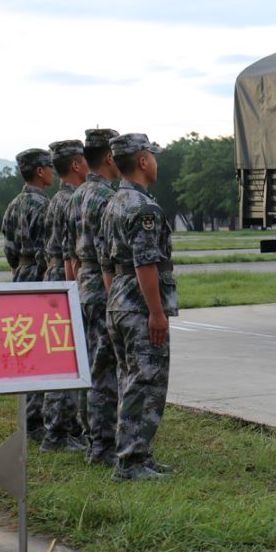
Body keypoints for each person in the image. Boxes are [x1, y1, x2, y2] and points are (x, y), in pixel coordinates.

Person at [100, 133, 176, 481]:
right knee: (145, 383)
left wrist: (117, 300)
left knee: (128, 380)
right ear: (143, 161)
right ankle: (130, 463)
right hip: (138, 307)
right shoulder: (144, 208)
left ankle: (137, 454)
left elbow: (105, 262)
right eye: (152, 155)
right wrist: (155, 313)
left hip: (118, 301)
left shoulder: (113, 202)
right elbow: (146, 264)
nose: (155, 161)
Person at [65, 128, 121, 466]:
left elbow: (69, 252)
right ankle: (102, 444)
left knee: (89, 366)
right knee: (105, 369)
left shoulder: (77, 195)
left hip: (83, 282)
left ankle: (93, 438)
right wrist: (115, 297)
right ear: (110, 157)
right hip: (101, 285)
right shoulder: (105, 197)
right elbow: (107, 256)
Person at [39, 139, 90, 452]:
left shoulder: (57, 199)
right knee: (67, 355)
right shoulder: (72, 200)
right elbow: (73, 252)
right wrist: (75, 290)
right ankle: (58, 432)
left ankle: (61, 428)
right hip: (66, 278)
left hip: (54, 275)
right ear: (75, 165)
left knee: (60, 354)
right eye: (83, 160)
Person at [0, 147, 53, 440]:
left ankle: (30, 416)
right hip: (39, 279)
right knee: (43, 347)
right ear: (39, 171)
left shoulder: (13, 205)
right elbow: (48, 250)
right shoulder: (42, 206)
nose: (52, 172)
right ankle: (37, 419)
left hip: (20, 276)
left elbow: (8, 249)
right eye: (48, 167)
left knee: (27, 347)